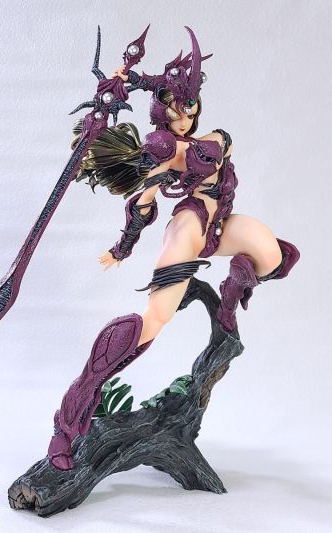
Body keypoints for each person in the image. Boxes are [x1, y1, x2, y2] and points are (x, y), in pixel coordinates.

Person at [47, 27, 300, 470]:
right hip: (190, 227)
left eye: (189, 106)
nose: (183, 117)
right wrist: (123, 245)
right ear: (160, 110)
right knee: (153, 322)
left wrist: (134, 81)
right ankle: (68, 424)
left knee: (274, 255)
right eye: (173, 109)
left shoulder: (210, 138)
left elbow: (208, 151)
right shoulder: (161, 148)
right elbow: (143, 201)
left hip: (220, 224)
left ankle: (229, 298)